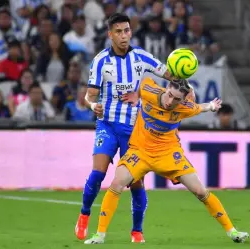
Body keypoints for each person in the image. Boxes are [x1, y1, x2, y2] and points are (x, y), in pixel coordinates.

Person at [84, 77, 249, 244]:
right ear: (166, 88)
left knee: (200, 191)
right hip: (140, 151)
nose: (170, 101)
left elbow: (202, 107)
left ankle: (233, 231)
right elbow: (143, 83)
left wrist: (212, 106)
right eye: (169, 95)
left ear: (184, 100)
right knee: (116, 184)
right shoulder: (150, 90)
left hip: (168, 153)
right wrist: (136, 95)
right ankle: (100, 235)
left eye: (177, 99)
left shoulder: (186, 108)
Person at [75, 13, 189, 243]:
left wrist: (184, 73)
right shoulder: (100, 61)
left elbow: (170, 74)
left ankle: (137, 230)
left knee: (136, 183)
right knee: (98, 174)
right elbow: (89, 96)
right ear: (110, 34)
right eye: (118, 31)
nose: (124, 35)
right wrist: (93, 105)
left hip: (135, 131)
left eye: (127, 30)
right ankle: (85, 214)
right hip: (107, 124)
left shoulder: (141, 57)